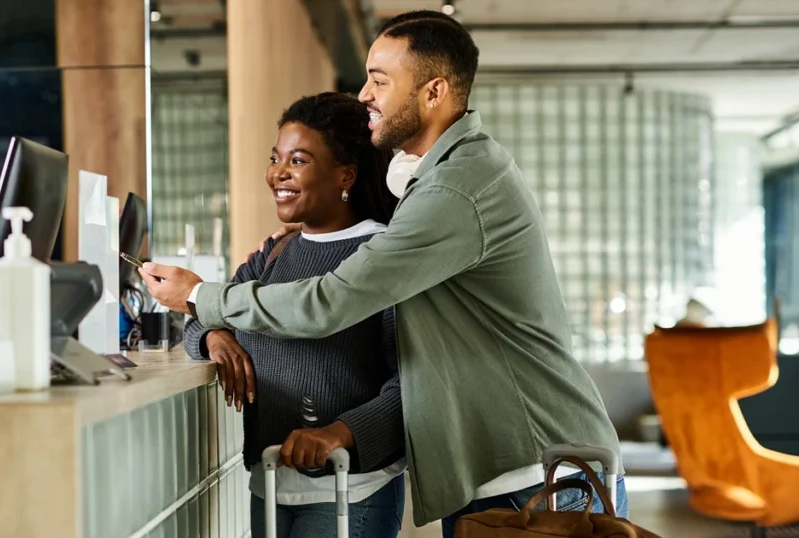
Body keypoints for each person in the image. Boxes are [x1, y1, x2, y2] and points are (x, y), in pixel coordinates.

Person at [140, 10, 627, 535]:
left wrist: (201, 297)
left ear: (434, 92)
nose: (365, 95)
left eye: (379, 81)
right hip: (503, 468)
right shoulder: (439, 177)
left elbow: (332, 301)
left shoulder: (454, 189)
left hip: (535, 469)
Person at [183, 92, 406, 538]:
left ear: (345, 174)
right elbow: (201, 315)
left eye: (298, 161)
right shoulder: (274, 253)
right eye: (275, 158)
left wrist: (339, 433)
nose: (278, 174)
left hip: (351, 493)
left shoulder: (384, 256)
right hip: (268, 488)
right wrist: (215, 337)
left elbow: (415, 383)